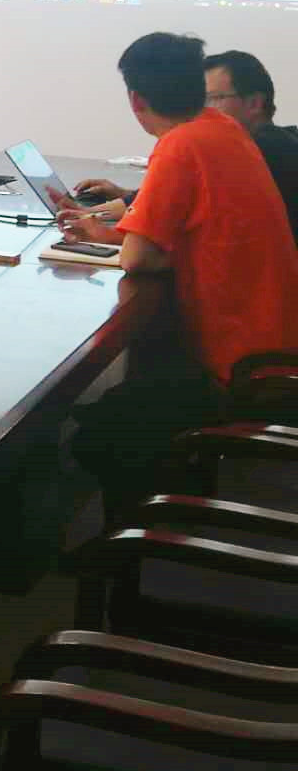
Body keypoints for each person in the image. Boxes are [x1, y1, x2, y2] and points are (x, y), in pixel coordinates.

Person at [62, 33, 298, 520]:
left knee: (106, 431)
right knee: (125, 402)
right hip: (276, 344)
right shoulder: (222, 128)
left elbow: (138, 260)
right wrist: (113, 235)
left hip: (249, 371)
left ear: (136, 99)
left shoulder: (180, 144)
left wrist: (123, 240)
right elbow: (191, 235)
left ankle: (150, 539)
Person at [61, 49, 298, 242]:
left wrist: (91, 218)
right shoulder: (270, 141)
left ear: (255, 103)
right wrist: (122, 197)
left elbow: (148, 250)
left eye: (211, 99)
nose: (200, 109)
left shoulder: (262, 150)